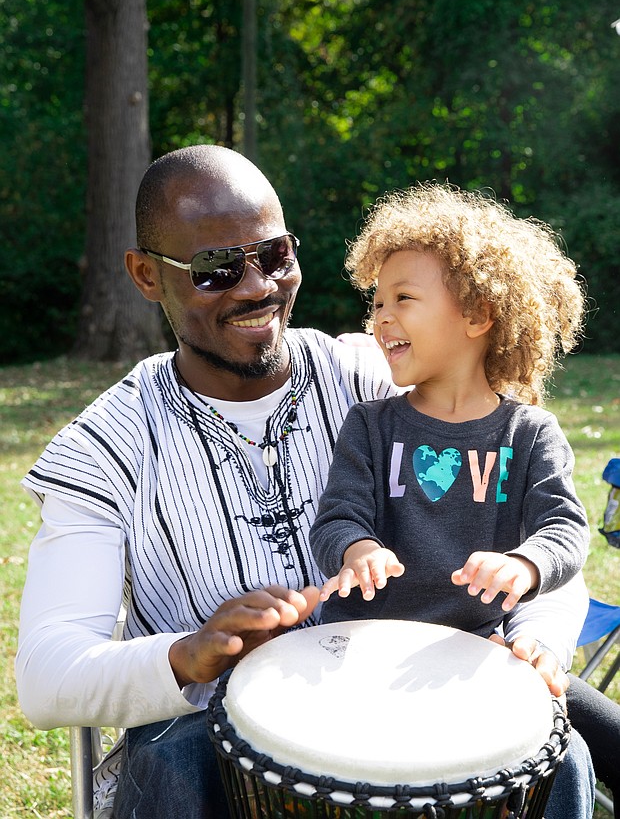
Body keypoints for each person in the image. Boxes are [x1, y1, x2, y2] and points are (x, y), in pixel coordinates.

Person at [14, 146, 599, 819]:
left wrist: (537, 643)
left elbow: (542, 535)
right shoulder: (103, 447)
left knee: (565, 752)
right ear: (146, 276)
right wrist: (187, 654)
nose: (255, 284)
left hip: (404, 708)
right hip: (214, 749)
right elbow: (47, 676)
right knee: (171, 757)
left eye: (274, 255)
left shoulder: (377, 378)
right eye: (215, 269)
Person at [310, 182, 589, 627]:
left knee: (588, 703)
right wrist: (357, 550)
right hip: (367, 642)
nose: (381, 316)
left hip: (474, 648)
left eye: (403, 298)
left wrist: (526, 564)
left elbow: (564, 528)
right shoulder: (370, 424)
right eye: (378, 301)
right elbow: (335, 520)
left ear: (477, 316)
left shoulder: (530, 434)